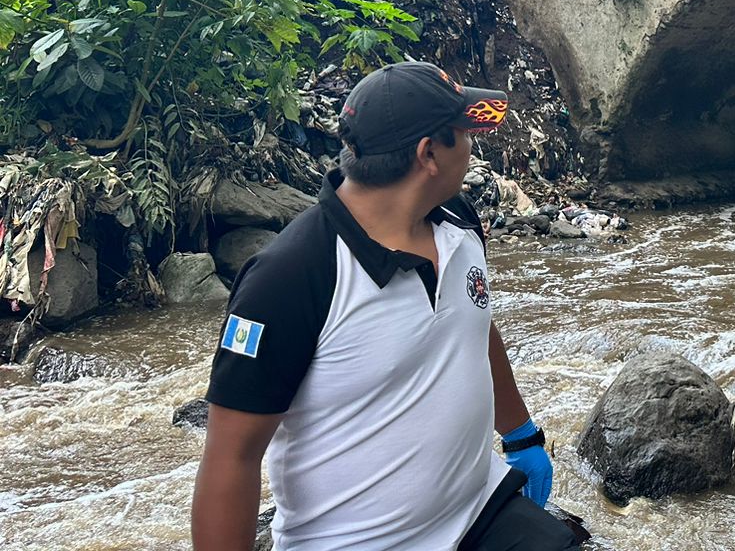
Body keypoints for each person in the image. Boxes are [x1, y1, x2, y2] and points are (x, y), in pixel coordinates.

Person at [191, 60, 578, 551]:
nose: (473, 147)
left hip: (478, 510)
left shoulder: (457, 222)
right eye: (465, 133)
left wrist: (520, 434)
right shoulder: (292, 275)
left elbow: (473, 323)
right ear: (429, 154)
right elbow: (231, 457)